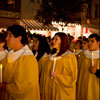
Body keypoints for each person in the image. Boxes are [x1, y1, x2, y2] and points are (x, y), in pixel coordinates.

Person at [0, 25, 40, 100]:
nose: (6, 38)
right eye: (7, 35)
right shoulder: (10, 53)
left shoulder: (28, 58)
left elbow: (26, 85)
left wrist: (6, 87)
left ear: (19, 38)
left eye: (10, 35)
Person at [39, 32, 77, 100]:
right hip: (49, 91)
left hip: (60, 92)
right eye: (53, 39)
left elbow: (72, 78)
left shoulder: (69, 57)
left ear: (63, 41)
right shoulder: (51, 56)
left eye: (56, 39)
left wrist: (58, 76)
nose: (53, 41)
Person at [77, 33, 100, 100]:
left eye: (92, 41)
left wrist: (97, 72)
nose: (89, 43)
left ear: (98, 42)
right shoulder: (83, 55)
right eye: (88, 41)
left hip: (95, 89)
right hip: (82, 86)